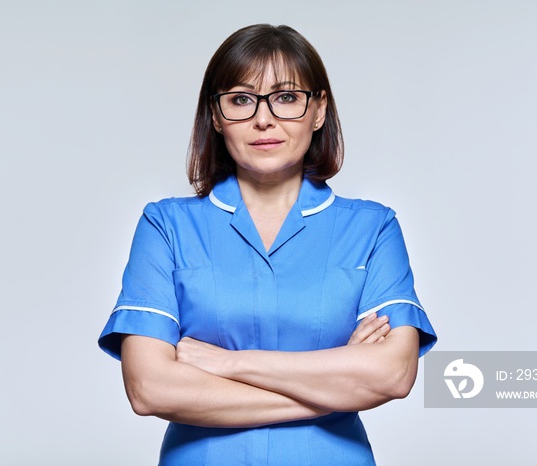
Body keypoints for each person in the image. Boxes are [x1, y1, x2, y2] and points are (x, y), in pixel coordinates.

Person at [99, 23, 437, 465]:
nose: (264, 118)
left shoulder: (373, 229)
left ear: (318, 111)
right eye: (240, 99)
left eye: (287, 97)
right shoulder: (166, 225)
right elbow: (150, 388)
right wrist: (335, 384)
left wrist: (227, 363)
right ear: (216, 116)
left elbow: (393, 374)